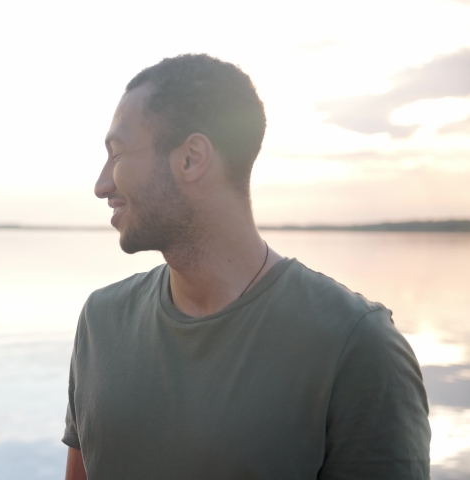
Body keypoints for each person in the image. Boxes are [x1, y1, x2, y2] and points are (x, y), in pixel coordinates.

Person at [62, 54, 430, 479]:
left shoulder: (356, 345)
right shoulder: (102, 321)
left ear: (191, 158)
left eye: (118, 153)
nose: (102, 183)